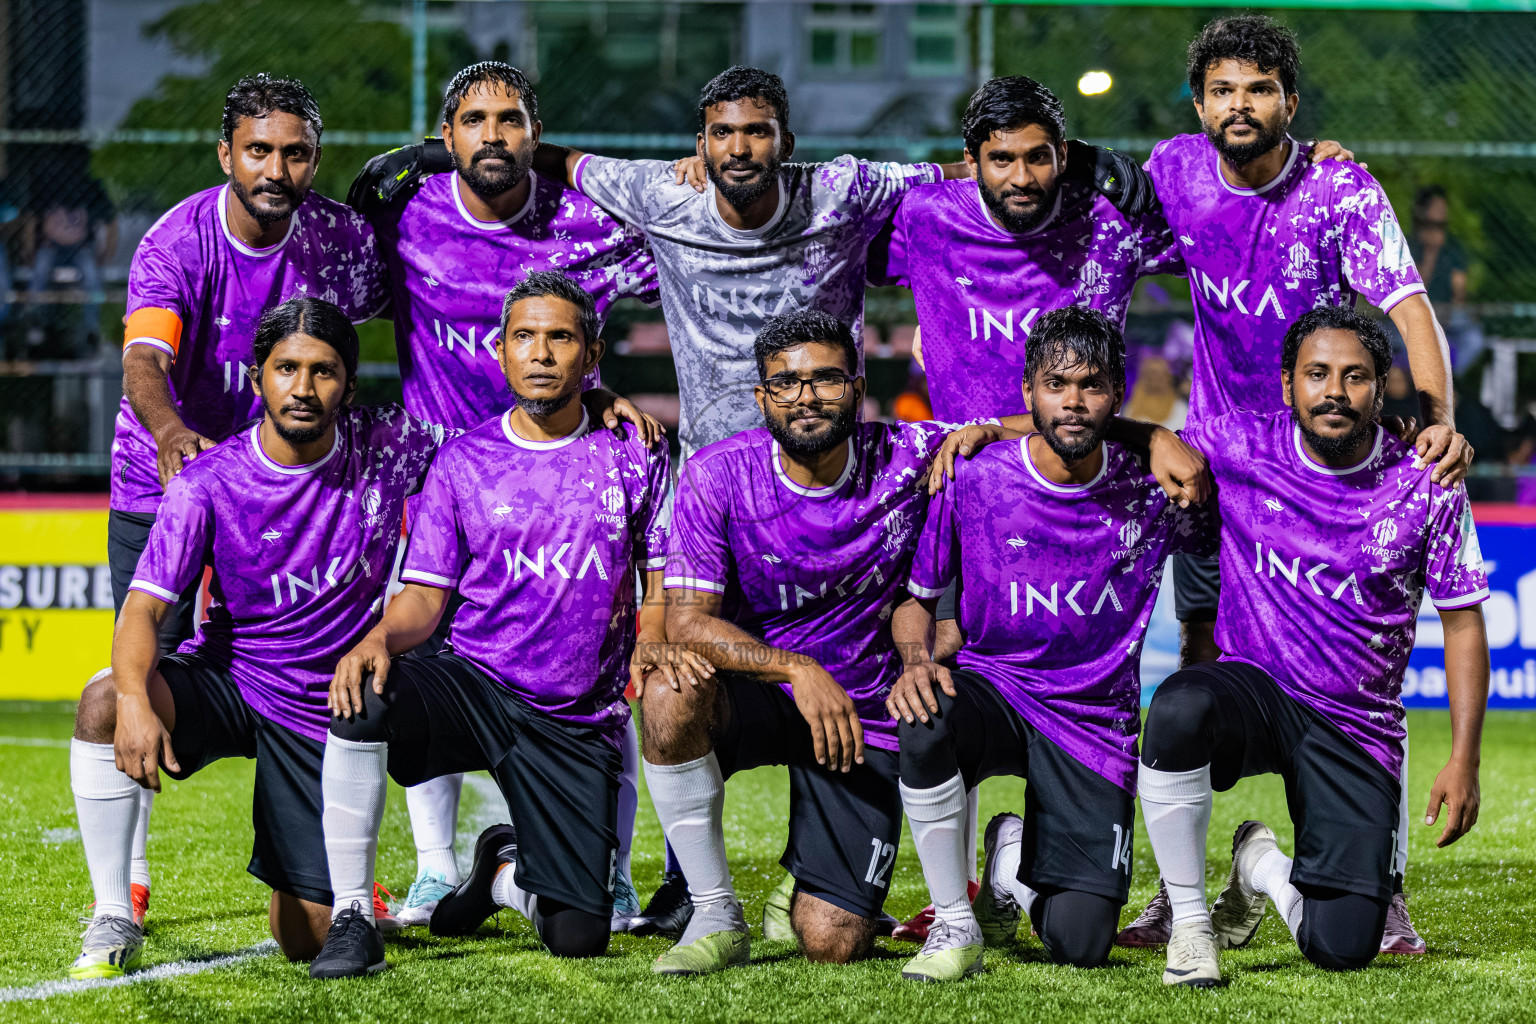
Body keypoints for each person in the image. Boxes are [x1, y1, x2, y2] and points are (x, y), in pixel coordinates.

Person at [1119, 14, 1474, 949]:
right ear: (1200, 106)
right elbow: (1085, 217)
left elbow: (1406, 305)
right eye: (1225, 90)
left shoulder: (1337, 188)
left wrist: (1435, 426)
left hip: (1333, 464)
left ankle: (1377, 878)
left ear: (1290, 100)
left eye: (1261, 89)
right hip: (1222, 465)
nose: (1242, 105)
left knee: (1368, 673)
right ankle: (1182, 888)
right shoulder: (1173, 171)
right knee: (1198, 673)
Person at [349, 60, 662, 933]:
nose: (494, 134)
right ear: (446, 135)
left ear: (537, 133)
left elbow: (674, 247)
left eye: (513, 120)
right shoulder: (403, 215)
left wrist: (595, 394)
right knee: (420, 662)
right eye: (474, 120)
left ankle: (610, 869)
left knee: (603, 674)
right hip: (440, 480)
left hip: (568, 476)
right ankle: (435, 868)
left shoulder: (589, 225)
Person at [308, 272, 687, 978]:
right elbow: (423, 598)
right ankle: (353, 915)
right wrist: (377, 638)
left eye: (561, 337)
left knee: (580, 934)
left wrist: (653, 638)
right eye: (524, 337)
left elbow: (659, 577)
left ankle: (499, 876)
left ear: (592, 353)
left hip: (572, 716)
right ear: (501, 351)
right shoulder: (462, 461)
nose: (541, 353)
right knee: (364, 695)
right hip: (474, 682)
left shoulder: (637, 452)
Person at [66, 297, 447, 979]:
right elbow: (141, 614)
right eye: (286, 369)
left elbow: (495, 443)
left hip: (325, 708)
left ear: (350, 388)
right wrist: (132, 700)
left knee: (307, 936)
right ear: (256, 379)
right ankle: (112, 912)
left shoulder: (390, 445)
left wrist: (592, 404)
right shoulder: (208, 484)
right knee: (101, 702)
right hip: (231, 680)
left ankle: (447, 879)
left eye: (324, 372)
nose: (303, 388)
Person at [644, 308, 1021, 975]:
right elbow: (687, 622)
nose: (806, 396)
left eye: (825, 379)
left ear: (856, 383)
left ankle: (808, 874)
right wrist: (795, 669)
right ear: (762, 397)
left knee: (833, 943)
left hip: (863, 712)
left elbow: (1041, 430)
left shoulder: (910, 454)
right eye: (785, 383)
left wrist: (1145, 438)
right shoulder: (716, 474)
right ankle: (713, 911)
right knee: (669, 691)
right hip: (762, 691)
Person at [102, 73, 389, 934]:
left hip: (293, 487)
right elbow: (144, 362)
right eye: (258, 149)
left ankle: (345, 872)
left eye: (294, 152)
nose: (275, 167)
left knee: (315, 676)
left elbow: (405, 315)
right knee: (136, 678)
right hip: (167, 484)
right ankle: (125, 888)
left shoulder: (339, 240)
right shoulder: (176, 242)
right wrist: (170, 435)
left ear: (314, 160)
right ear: (226, 153)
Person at [1134, 305, 1489, 986]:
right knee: (1177, 708)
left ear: (1382, 388)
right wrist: (1152, 436)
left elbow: (1463, 621)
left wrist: (1463, 760)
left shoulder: (1427, 482)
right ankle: (1190, 927)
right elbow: (1119, 443)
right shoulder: (1239, 446)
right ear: (1288, 381)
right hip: (1256, 691)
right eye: (1317, 374)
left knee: (1343, 947)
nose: (1335, 391)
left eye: (1355, 377)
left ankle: (1258, 866)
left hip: (1354, 727)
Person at [885, 306, 1210, 982]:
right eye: (1055, 384)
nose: (1072, 401)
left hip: (1091, 719)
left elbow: (1232, 516)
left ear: (1116, 395)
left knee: (1081, 942)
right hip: (994, 686)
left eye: (1091, 385)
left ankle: (1009, 856)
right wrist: (916, 661)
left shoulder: (1154, 485)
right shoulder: (974, 476)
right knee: (925, 715)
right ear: (1028, 393)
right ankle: (953, 920)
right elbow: (917, 601)